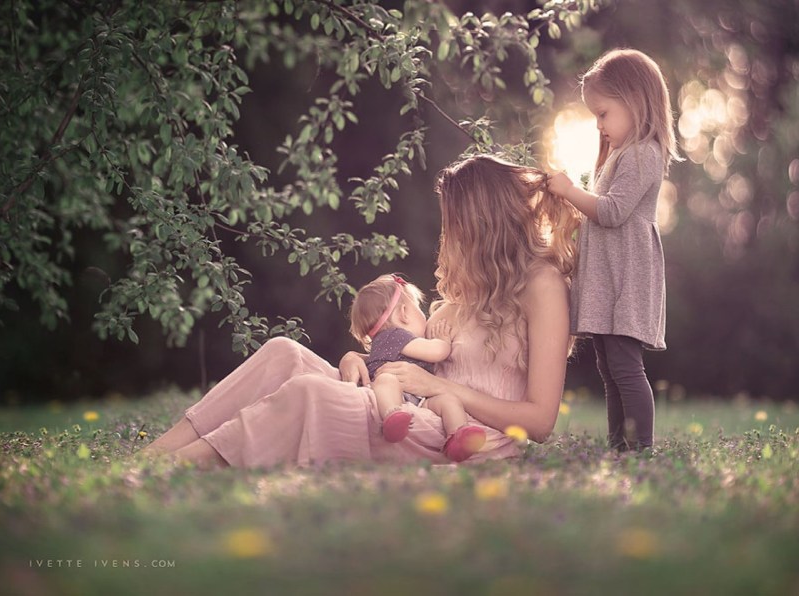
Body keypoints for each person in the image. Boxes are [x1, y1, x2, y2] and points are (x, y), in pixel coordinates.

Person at [143, 154, 579, 469]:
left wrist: (432, 386)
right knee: (283, 352)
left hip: (461, 436)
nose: (451, 233)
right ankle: (153, 455)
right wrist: (363, 362)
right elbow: (406, 361)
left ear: (483, 220)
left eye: (455, 221)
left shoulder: (541, 286)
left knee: (309, 393)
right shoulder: (471, 291)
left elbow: (540, 421)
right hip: (413, 412)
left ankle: (173, 469)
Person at [547, 48, 681, 450]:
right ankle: (618, 447)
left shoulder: (644, 153)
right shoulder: (619, 155)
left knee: (625, 366)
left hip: (628, 279)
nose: (599, 125)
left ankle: (639, 450)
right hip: (611, 278)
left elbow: (611, 212)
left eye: (603, 113)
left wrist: (571, 192)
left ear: (635, 101)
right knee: (609, 368)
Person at [349, 273, 486, 462]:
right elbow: (436, 352)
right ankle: (392, 415)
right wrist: (443, 341)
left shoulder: (382, 343)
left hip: (417, 399)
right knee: (386, 380)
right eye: (419, 308)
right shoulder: (394, 335)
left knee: (447, 399)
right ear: (404, 313)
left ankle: (458, 436)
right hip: (397, 394)